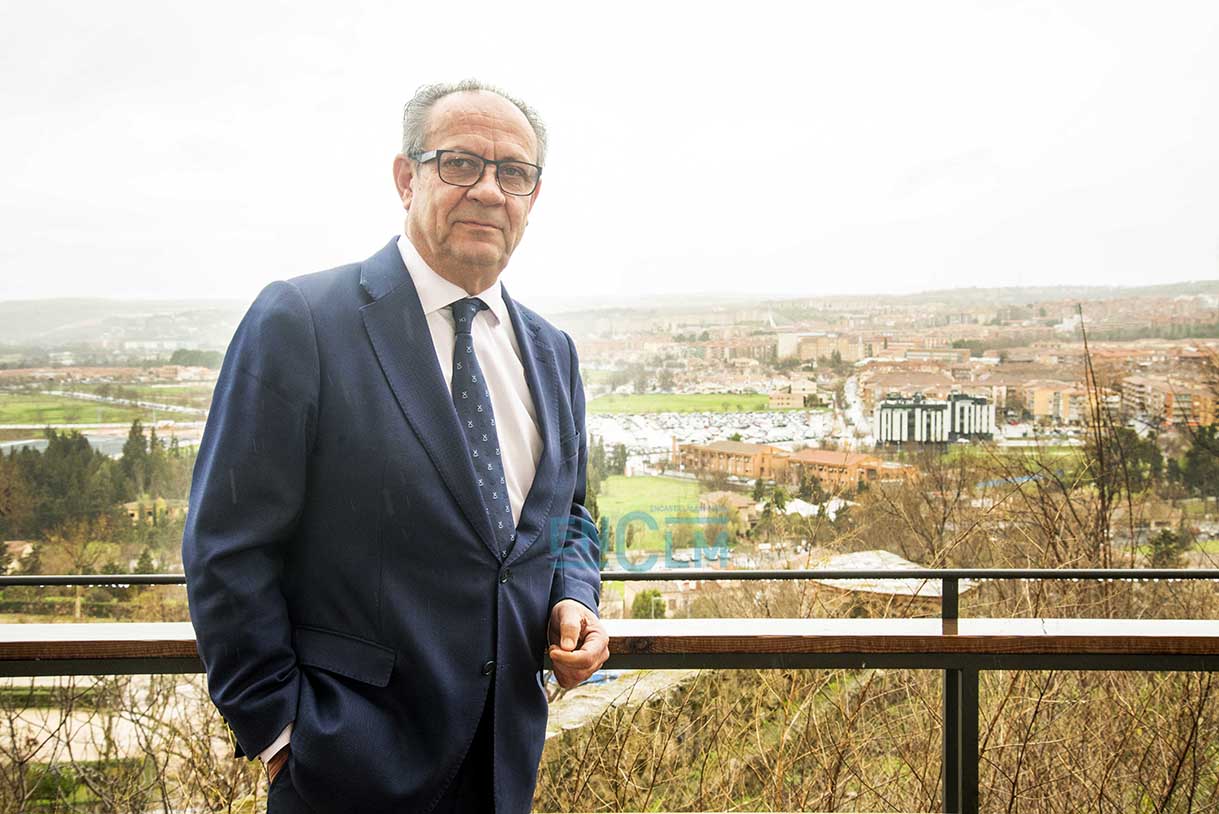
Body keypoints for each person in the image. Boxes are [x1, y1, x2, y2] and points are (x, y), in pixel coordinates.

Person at [182, 79, 608, 814]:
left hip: (504, 760)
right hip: (345, 768)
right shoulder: (304, 320)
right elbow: (226, 544)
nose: (488, 190)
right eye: (460, 163)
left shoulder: (552, 351)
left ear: (533, 198)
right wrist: (281, 732)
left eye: (513, 172)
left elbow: (567, 517)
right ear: (405, 177)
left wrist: (574, 598)